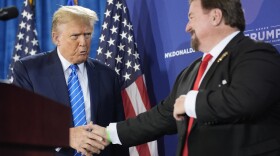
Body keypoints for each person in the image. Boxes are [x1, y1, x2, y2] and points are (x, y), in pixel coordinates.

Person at [91, 0, 280, 155]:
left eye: (191, 17)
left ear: (215, 17)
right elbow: (160, 117)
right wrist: (108, 133)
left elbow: (244, 100)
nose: (187, 27)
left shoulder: (256, 53)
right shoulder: (192, 71)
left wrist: (191, 103)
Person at [12, 5, 129, 156]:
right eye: (75, 36)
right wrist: (65, 137)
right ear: (56, 38)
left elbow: (117, 134)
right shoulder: (29, 71)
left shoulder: (107, 76)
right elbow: (20, 126)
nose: (83, 42)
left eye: (87, 34)